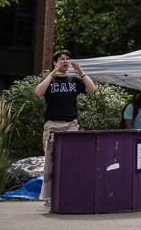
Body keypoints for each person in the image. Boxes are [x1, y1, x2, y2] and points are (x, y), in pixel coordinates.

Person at [33, 49, 96, 206]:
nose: (66, 61)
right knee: (50, 161)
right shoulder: (50, 80)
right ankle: (49, 196)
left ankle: (68, 192)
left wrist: (80, 71)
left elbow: (92, 89)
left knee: (70, 160)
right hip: (52, 124)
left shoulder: (74, 81)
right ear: (55, 62)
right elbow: (38, 92)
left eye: (68, 59)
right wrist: (52, 73)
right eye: (62, 59)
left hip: (70, 124)